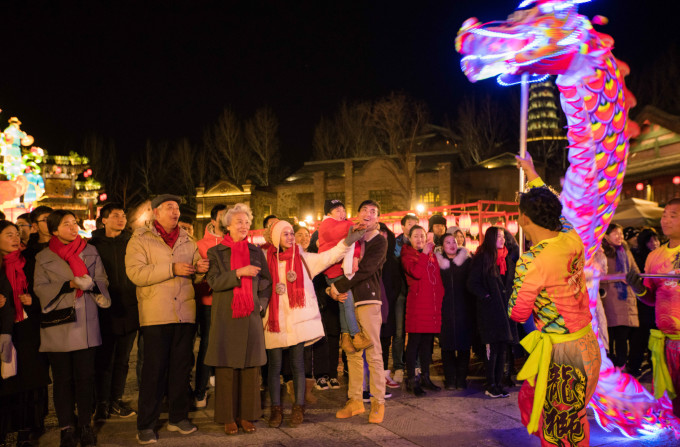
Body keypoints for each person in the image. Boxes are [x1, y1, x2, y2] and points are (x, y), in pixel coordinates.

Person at [509, 153, 601, 446]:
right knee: (561, 418)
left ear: (523, 218)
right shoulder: (571, 238)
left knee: (561, 432)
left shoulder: (531, 260)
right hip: (586, 344)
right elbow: (555, 207)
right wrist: (532, 173)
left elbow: (518, 312)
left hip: (563, 358)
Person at [125, 194, 209, 444]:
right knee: (154, 371)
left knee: (181, 370)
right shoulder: (140, 239)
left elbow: (194, 276)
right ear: (155, 212)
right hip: (156, 315)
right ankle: (146, 424)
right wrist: (171, 268)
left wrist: (201, 271)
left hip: (184, 314)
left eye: (177, 208)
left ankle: (178, 417)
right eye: (169, 208)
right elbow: (136, 274)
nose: (175, 212)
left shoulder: (187, 240)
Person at [264, 219, 361, 427]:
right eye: (286, 234)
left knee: (298, 364)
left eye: (292, 233)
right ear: (275, 238)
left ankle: (298, 408)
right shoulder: (266, 260)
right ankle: (276, 409)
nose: (290, 237)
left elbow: (331, 256)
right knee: (275, 366)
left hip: (298, 319)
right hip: (275, 321)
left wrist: (349, 239)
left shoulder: (304, 258)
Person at [34, 210, 111, 447]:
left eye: (74, 223)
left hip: (86, 321)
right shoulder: (44, 257)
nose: (73, 227)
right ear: (54, 230)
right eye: (66, 224)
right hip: (59, 324)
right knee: (62, 379)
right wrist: (68, 284)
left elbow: (103, 280)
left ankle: (86, 424)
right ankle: (67, 427)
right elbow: (39, 288)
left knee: (85, 377)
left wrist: (92, 284)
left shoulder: (90, 250)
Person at [204, 203, 271, 435]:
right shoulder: (216, 252)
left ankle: (247, 415)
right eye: (239, 222)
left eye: (246, 222)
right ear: (228, 225)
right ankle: (227, 416)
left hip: (251, 315)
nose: (244, 226)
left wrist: (261, 304)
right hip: (226, 315)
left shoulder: (256, 251)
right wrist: (238, 274)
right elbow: (213, 281)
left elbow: (265, 281)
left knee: (250, 367)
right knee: (226, 367)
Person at [330, 200, 387, 424]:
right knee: (352, 351)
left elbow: (365, 270)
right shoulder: (351, 238)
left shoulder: (378, 242)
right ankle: (355, 400)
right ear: (357, 214)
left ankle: (378, 402)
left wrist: (339, 287)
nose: (368, 214)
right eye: (364, 210)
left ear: (378, 219)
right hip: (347, 301)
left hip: (367, 300)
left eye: (373, 211)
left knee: (373, 352)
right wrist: (331, 288)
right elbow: (334, 265)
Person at [626, 198, 680, 417]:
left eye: (673, 215)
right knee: (671, 401)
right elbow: (650, 298)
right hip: (665, 341)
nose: (665, 219)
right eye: (664, 214)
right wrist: (637, 288)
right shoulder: (654, 256)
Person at [0, 221, 50, 446]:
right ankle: (9, 425)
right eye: (8, 234)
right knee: (9, 378)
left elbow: (45, 290)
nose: (15, 238)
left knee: (31, 377)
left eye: (16, 234)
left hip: (29, 326)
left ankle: (31, 426)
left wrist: (34, 301)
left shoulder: (30, 262)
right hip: (5, 328)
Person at [89, 204, 139, 421]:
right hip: (103, 310)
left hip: (130, 308)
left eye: (123, 216)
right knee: (104, 359)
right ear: (104, 221)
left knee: (123, 359)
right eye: (115, 216)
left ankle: (116, 400)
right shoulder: (92, 245)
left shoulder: (132, 242)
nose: (121, 219)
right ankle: (101, 402)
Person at [467, 226, 516, 398]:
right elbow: (472, 283)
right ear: (490, 238)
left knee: (503, 347)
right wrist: (486, 296)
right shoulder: (483, 258)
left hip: (505, 310)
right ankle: (491, 384)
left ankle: (499, 383)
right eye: (498, 236)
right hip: (490, 311)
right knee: (492, 348)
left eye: (503, 236)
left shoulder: (506, 258)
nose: (502, 239)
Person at [318, 199, 370, 353]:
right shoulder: (327, 224)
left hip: (340, 271)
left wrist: (354, 256)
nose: (342, 214)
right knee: (347, 303)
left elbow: (355, 243)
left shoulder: (343, 224)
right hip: (333, 271)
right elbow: (340, 232)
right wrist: (354, 226)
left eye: (343, 210)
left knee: (344, 304)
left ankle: (346, 338)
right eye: (337, 211)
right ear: (329, 214)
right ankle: (356, 335)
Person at [401, 224, 445, 396]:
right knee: (414, 343)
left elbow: (437, 278)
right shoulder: (407, 255)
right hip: (418, 305)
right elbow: (416, 273)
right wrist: (426, 254)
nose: (420, 239)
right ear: (410, 239)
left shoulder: (432, 255)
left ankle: (426, 377)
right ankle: (411, 379)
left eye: (422, 235)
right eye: (416, 236)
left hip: (432, 305)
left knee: (427, 344)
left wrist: (440, 296)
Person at [193, 204, 227, 408]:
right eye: (222, 216)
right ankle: (200, 390)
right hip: (209, 302)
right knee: (206, 345)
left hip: (231, 302)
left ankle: (224, 385)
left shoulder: (236, 242)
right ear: (213, 220)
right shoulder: (200, 245)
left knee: (227, 346)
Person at [600, 223, 640, 370]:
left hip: (626, 297)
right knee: (610, 334)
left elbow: (635, 270)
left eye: (621, 233)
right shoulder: (602, 250)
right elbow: (599, 275)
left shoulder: (625, 250)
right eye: (616, 233)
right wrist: (619, 277)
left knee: (623, 335)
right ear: (606, 235)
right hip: (609, 298)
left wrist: (633, 278)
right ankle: (610, 365)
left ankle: (621, 365)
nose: (620, 237)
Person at [438, 232, 473, 390]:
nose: (452, 244)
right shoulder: (437, 263)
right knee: (447, 346)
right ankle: (450, 379)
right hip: (444, 308)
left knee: (464, 346)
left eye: (454, 241)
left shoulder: (467, 261)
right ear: (442, 246)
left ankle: (461, 378)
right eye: (448, 242)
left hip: (464, 307)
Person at [378, 223, 403, 390]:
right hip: (370, 304)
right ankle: (373, 376)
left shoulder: (393, 261)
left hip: (388, 306)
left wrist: (389, 301)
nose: (381, 234)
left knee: (385, 340)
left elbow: (397, 285)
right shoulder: (367, 257)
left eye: (383, 231)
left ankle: (384, 373)